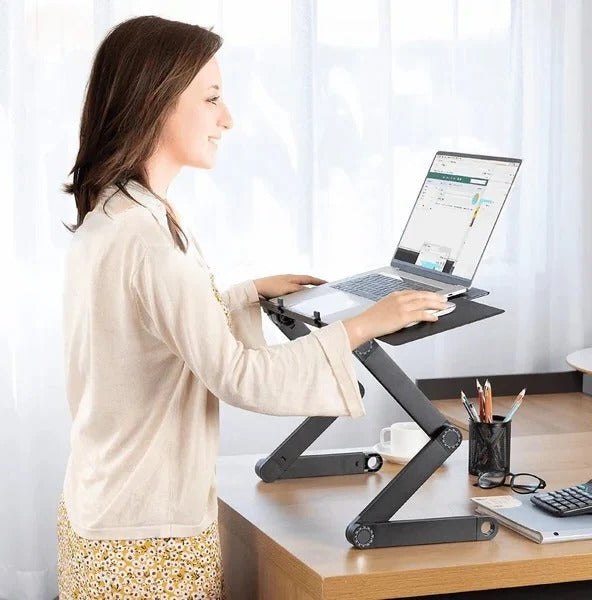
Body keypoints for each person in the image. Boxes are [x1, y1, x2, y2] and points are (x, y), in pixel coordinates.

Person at [58, 15, 447, 599]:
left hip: (102, 511)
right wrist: (366, 324)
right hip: (145, 539)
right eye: (212, 98)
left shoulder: (117, 213)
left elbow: (144, 332)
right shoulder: (150, 242)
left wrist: (244, 293)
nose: (228, 119)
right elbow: (238, 375)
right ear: (154, 103)